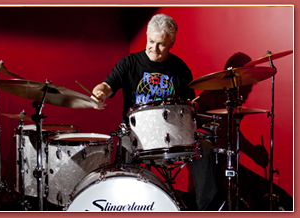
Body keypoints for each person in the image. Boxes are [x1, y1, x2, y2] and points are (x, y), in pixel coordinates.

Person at [91, 14, 219, 211]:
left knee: (205, 147)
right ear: (147, 36)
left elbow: (189, 105)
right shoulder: (129, 63)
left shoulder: (180, 68)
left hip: (174, 134)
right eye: (151, 41)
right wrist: (100, 92)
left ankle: (206, 210)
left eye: (161, 44)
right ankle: (125, 205)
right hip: (135, 134)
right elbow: (108, 84)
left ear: (171, 44)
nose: (154, 48)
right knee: (124, 147)